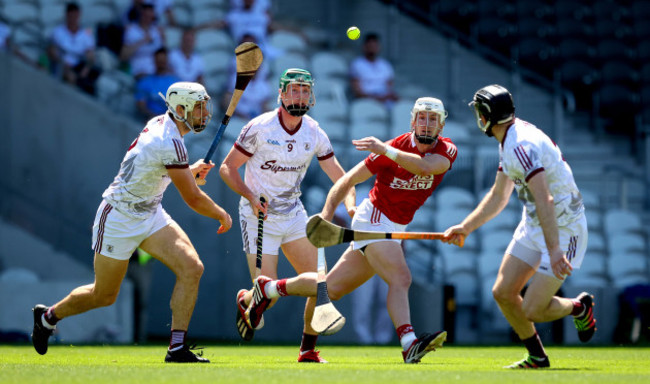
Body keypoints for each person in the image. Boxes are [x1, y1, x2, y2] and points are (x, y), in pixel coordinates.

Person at [243, 96, 457, 363]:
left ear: (441, 126)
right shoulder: (390, 149)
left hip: (394, 226)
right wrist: (326, 215)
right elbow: (346, 181)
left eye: (433, 119)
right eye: (422, 118)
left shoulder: (445, 150)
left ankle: (271, 292)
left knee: (330, 288)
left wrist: (386, 151)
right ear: (413, 121)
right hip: (374, 220)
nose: (426, 124)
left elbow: (425, 167)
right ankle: (409, 343)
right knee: (401, 278)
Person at [31, 82, 233, 363]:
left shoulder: (165, 126)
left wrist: (187, 170)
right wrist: (222, 213)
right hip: (118, 217)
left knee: (192, 268)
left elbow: (161, 169)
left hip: (150, 214)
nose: (205, 113)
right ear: (179, 109)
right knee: (103, 295)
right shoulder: (169, 141)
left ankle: (176, 348)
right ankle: (47, 317)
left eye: (204, 106)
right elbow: (194, 199)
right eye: (199, 107)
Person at [442, 84, 596, 369]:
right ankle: (537, 357)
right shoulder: (509, 139)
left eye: (479, 111)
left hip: (565, 229)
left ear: (487, 116)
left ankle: (579, 307)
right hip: (537, 222)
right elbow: (499, 196)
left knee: (533, 309)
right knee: (502, 292)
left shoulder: (519, 144)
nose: (477, 116)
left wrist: (553, 250)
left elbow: (544, 198)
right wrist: (465, 227)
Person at [219, 68, 356, 363]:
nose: (300, 95)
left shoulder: (314, 131)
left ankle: (307, 350)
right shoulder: (260, 127)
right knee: (263, 302)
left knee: (321, 285)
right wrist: (250, 196)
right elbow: (226, 168)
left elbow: (341, 177)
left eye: (305, 90)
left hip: (294, 213)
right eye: (294, 90)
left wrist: (353, 205)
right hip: (258, 217)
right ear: (281, 94)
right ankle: (247, 299)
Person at [47, 2, 101, 95]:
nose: (74, 19)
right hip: (61, 65)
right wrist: (63, 65)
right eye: (71, 15)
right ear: (67, 15)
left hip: (78, 67)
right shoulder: (58, 31)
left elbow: (90, 56)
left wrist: (86, 68)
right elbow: (52, 51)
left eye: (76, 16)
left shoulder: (86, 35)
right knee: (70, 77)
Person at [349, 33, 399, 107]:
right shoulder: (357, 64)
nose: (373, 48)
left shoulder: (385, 65)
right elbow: (357, 92)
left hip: (385, 101)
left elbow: (389, 88)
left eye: (375, 46)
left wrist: (390, 96)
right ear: (364, 47)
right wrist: (376, 98)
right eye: (370, 46)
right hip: (366, 101)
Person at [120, 2, 165, 79]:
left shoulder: (156, 31)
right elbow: (123, 56)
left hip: (155, 70)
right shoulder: (131, 30)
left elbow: (162, 54)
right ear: (141, 15)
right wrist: (142, 41)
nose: (148, 19)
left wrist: (163, 38)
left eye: (150, 17)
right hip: (137, 69)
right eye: (146, 16)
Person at [135, 47, 180, 121]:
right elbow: (140, 104)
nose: (161, 63)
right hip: (147, 121)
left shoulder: (175, 84)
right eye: (159, 60)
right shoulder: (145, 81)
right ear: (154, 61)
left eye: (163, 61)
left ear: (167, 61)